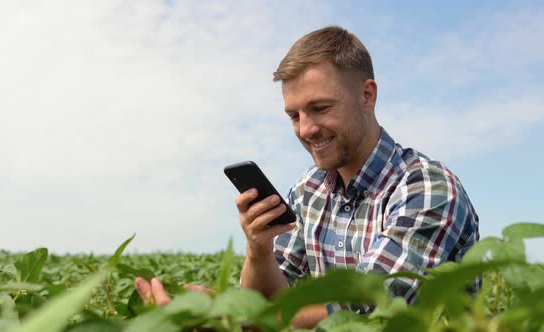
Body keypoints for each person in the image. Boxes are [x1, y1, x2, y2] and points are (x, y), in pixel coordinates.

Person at [135, 25, 480, 329]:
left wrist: (230, 315)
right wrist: (259, 251)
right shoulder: (307, 192)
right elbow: (273, 304)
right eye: (294, 115)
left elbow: (368, 309)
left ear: (367, 95)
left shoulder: (426, 187)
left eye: (320, 108)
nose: (306, 129)